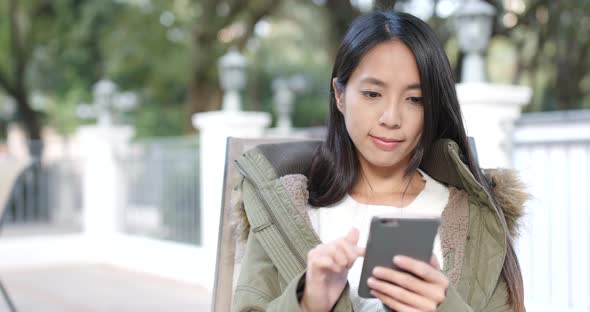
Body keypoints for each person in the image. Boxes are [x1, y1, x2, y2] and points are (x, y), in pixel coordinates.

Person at [231, 10, 527, 312]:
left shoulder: (474, 216)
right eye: (373, 94)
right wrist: (309, 302)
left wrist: (444, 306)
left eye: (415, 99)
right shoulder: (286, 205)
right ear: (340, 95)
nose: (391, 118)